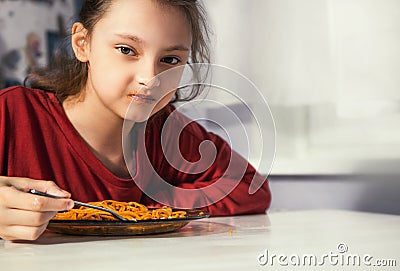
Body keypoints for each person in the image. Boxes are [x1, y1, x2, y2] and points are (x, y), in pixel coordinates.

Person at [0, 0, 271, 241]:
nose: (150, 77)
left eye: (169, 59)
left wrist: (157, 207)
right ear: (83, 44)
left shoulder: (168, 130)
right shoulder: (11, 114)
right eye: (126, 50)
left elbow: (251, 187)